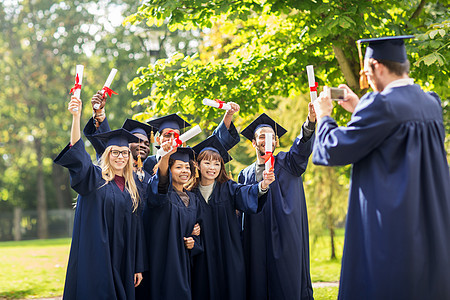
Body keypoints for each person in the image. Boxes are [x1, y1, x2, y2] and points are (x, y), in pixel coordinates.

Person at [312, 36, 450, 300]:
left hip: (390, 224)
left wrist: (325, 116)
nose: (367, 77)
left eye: (366, 71)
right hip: (428, 218)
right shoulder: (431, 103)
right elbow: (391, 140)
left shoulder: (381, 105)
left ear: (377, 66)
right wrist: (358, 108)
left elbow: (334, 149)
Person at [54, 96, 146, 299]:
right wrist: (76, 117)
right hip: (97, 256)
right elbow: (78, 152)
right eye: (114, 152)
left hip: (123, 259)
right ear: (107, 154)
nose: (120, 156)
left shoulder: (135, 187)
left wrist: (137, 265)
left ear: (130, 157)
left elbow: (137, 228)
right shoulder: (93, 178)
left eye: (124, 152)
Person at [238, 109, 316, 300]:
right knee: (257, 283)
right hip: (255, 237)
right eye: (261, 137)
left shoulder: (288, 163)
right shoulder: (245, 174)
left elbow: (301, 148)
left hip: (285, 235)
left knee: (286, 283)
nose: (267, 140)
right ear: (254, 142)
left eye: (271, 136)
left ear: (277, 141)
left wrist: (310, 124)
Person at [189, 135, 275, 300]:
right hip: (202, 258)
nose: (212, 167)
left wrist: (263, 185)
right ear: (197, 165)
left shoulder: (228, 188)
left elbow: (246, 192)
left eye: (217, 163)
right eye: (207, 163)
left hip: (229, 254)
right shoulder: (190, 193)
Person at [145, 145, 202, 300]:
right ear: (168, 170)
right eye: (178, 167)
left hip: (184, 263)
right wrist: (165, 156)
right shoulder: (160, 194)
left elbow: (196, 231)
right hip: (163, 259)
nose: (184, 171)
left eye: (187, 167)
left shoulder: (193, 199)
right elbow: (161, 181)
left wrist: (193, 242)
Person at [144, 102, 241, 175]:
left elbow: (216, 141)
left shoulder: (191, 156)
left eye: (176, 136)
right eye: (167, 135)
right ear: (158, 139)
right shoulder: (147, 163)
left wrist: (228, 114)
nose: (172, 139)